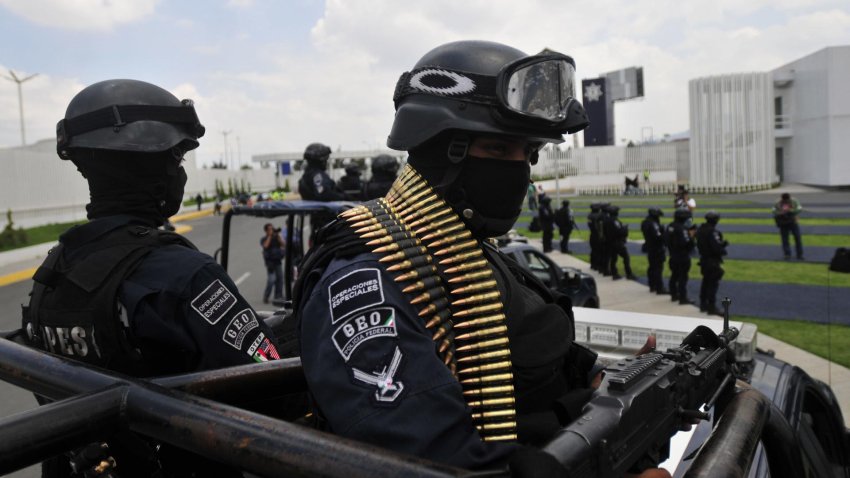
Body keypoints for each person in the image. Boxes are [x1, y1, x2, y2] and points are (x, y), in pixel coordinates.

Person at [295, 39, 622, 473]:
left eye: (528, 153)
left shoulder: (469, 249)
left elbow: (519, 360)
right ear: (441, 149)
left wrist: (602, 379)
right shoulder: (366, 280)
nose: (519, 170)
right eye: (500, 150)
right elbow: (434, 457)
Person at [22, 79, 280, 477]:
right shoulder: (184, 275)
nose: (180, 175)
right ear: (155, 172)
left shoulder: (55, 268)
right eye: (175, 161)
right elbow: (271, 392)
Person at [696, 212, 728, 316]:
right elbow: (716, 248)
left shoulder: (700, 230)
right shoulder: (712, 232)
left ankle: (703, 304)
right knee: (712, 284)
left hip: (704, 259)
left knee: (705, 282)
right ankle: (711, 307)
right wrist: (722, 248)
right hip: (712, 260)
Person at [666, 209, 696, 305]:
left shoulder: (670, 226)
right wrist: (691, 237)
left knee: (674, 276)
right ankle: (683, 298)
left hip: (672, 255)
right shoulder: (682, 229)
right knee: (683, 278)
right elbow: (686, 243)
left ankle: (674, 295)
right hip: (682, 256)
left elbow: (665, 239)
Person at [603, 205, 635, 280]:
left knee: (613, 258)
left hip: (610, 242)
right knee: (626, 257)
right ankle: (629, 273)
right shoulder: (614, 221)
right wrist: (625, 228)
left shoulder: (606, 220)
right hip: (617, 242)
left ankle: (614, 273)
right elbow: (619, 231)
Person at [641, 208, 667, 295]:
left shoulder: (645, 222)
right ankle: (659, 287)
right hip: (656, 248)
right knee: (658, 268)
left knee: (652, 267)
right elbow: (658, 237)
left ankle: (652, 285)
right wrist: (663, 233)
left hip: (649, 247)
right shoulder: (653, 224)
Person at [772, 192, 804, 260]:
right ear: (782, 199)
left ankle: (799, 254)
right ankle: (787, 254)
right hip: (783, 223)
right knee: (785, 239)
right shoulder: (778, 202)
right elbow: (773, 210)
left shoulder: (794, 201)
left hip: (793, 221)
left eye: (787, 200)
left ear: (789, 198)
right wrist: (781, 212)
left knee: (797, 238)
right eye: (784, 200)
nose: (786, 202)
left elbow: (799, 209)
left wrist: (790, 211)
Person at [261, 223, 285, 304]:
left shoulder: (276, 238)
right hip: (270, 263)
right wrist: (270, 236)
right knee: (271, 280)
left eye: (272, 228)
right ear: (266, 231)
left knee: (280, 279)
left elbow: (283, 244)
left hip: (277, 261)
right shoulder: (264, 239)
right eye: (269, 229)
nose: (271, 230)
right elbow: (265, 246)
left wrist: (278, 236)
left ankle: (278, 296)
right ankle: (266, 296)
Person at [587, 203, 603, 271]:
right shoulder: (598, 216)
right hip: (597, 235)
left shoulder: (590, 216)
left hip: (592, 235)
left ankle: (593, 264)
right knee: (599, 251)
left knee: (593, 250)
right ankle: (598, 265)